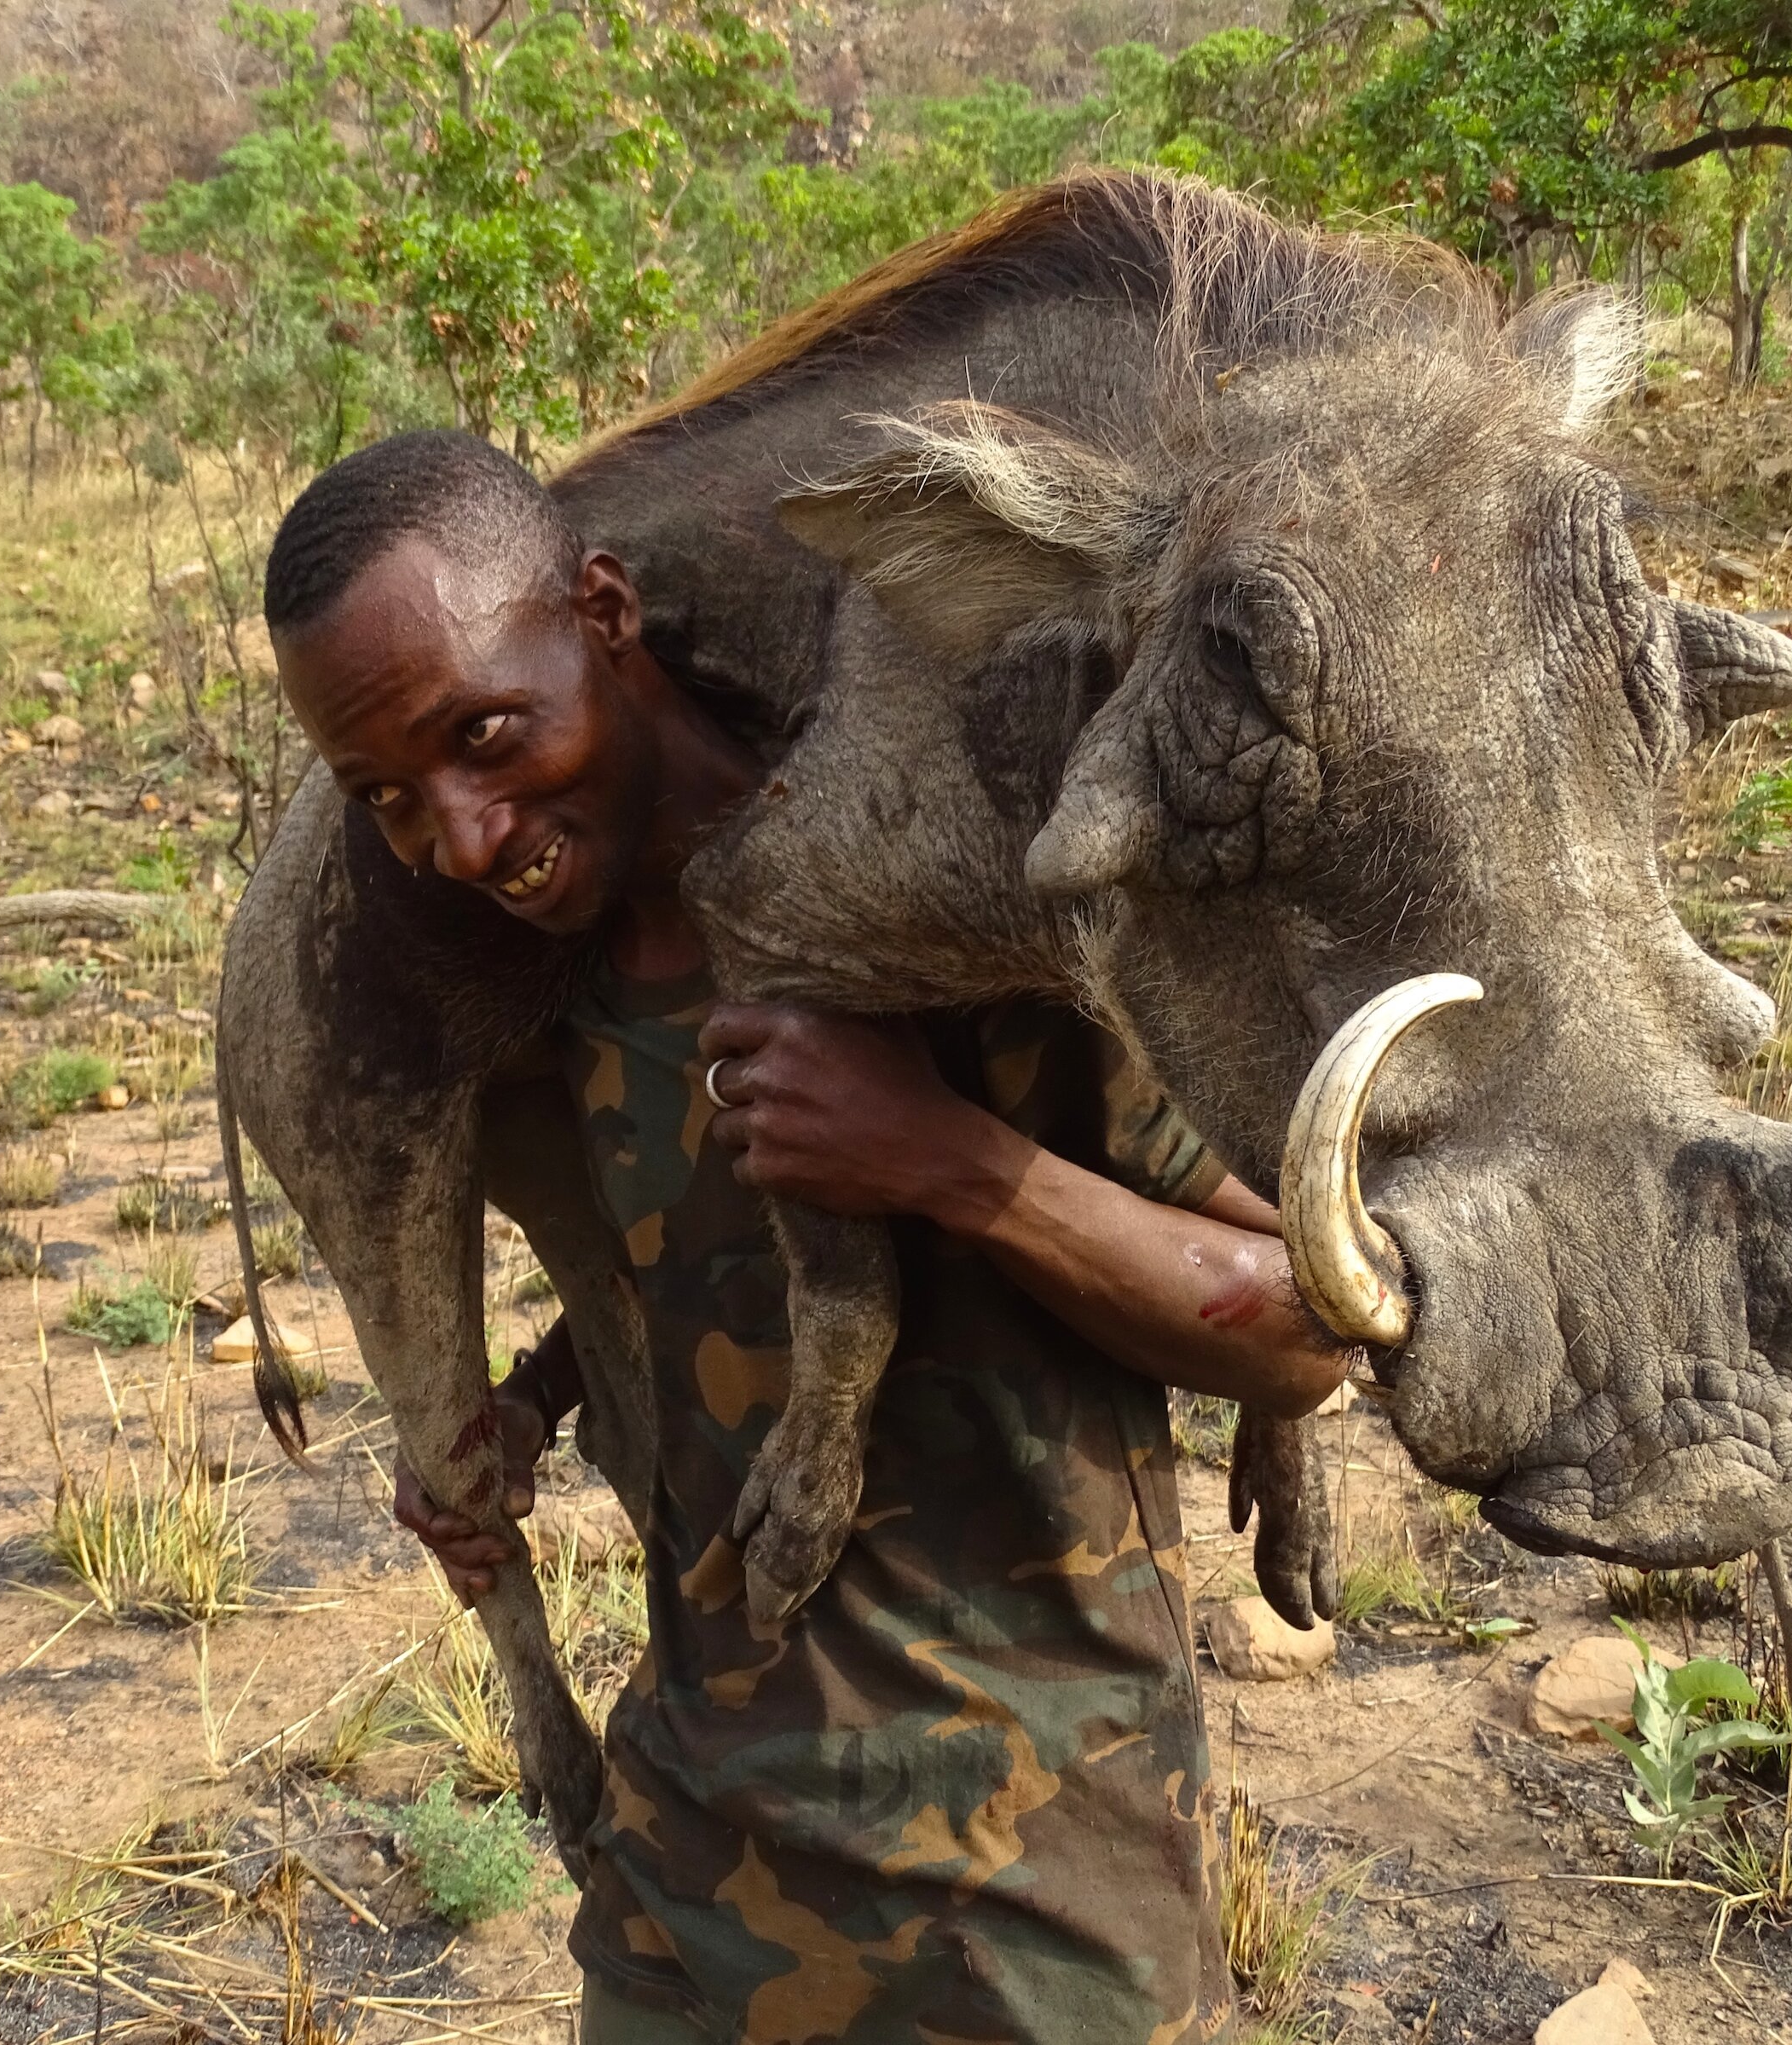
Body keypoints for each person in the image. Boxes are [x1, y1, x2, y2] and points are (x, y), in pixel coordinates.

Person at [263, 430, 1348, 2044]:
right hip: (686, 1877)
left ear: (608, 611)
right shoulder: (558, 991)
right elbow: (690, 1263)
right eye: (391, 802)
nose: (465, 839)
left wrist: (952, 1163)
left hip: (1029, 1902)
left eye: (486, 737)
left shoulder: (963, 901)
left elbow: (1307, 1332)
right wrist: (528, 1413)